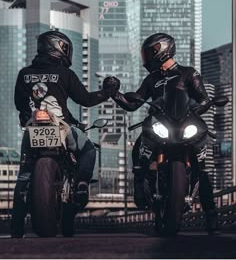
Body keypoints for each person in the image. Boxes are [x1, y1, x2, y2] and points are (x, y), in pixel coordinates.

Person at [108, 33, 220, 235]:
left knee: (201, 170)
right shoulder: (152, 79)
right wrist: (114, 93)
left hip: (184, 124)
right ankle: (140, 184)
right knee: (138, 148)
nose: (147, 57)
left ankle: (211, 214)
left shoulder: (188, 73)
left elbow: (203, 99)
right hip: (160, 125)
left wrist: (197, 110)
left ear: (162, 49)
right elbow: (134, 103)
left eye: (149, 52)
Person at [12, 30, 120, 237]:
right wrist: (108, 92)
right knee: (88, 149)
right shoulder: (65, 74)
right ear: (59, 48)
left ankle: (16, 228)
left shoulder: (24, 73)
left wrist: (27, 120)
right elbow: (85, 100)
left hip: (32, 127)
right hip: (61, 127)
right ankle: (80, 183)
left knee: (24, 174)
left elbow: (19, 103)